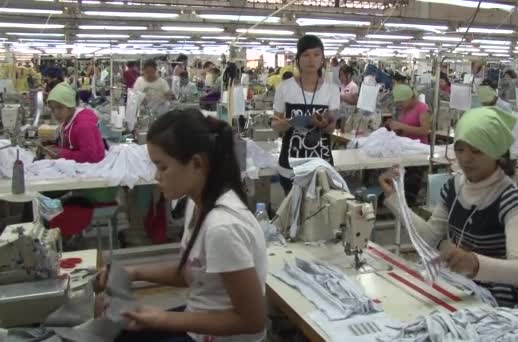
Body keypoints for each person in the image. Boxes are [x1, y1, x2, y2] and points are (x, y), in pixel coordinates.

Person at [100, 109, 267, 342]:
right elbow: (193, 272)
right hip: (201, 321)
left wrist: (163, 319)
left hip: (220, 336)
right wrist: (132, 273)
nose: (156, 177)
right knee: (118, 331)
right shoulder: (197, 203)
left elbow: (252, 320)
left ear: (197, 163)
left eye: (162, 167)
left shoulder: (223, 227)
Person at [379, 107, 518, 307]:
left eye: (476, 150)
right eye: (460, 149)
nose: (465, 158)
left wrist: (475, 264)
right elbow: (430, 235)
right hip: (456, 285)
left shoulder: (511, 198)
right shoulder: (454, 187)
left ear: (496, 152)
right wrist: (395, 199)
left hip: (492, 299)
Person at [271, 35, 340, 195]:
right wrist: (294, 121)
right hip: (290, 166)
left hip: (321, 165)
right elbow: (275, 125)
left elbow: (330, 129)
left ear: (322, 59)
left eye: (316, 54)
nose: (311, 60)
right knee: (293, 216)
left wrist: (324, 124)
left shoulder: (332, 90)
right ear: (298, 59)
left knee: (318, 215)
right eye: (306, 55)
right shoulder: (285, 88)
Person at [42, 82, 105, 163]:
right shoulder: (68, 120)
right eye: (52, 109)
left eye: (60, 107)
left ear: (70, 106)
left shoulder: (83, 126)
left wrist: (62, 153)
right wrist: (53, 146)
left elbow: (91, 157)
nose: (56, 113)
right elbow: (72, 145)